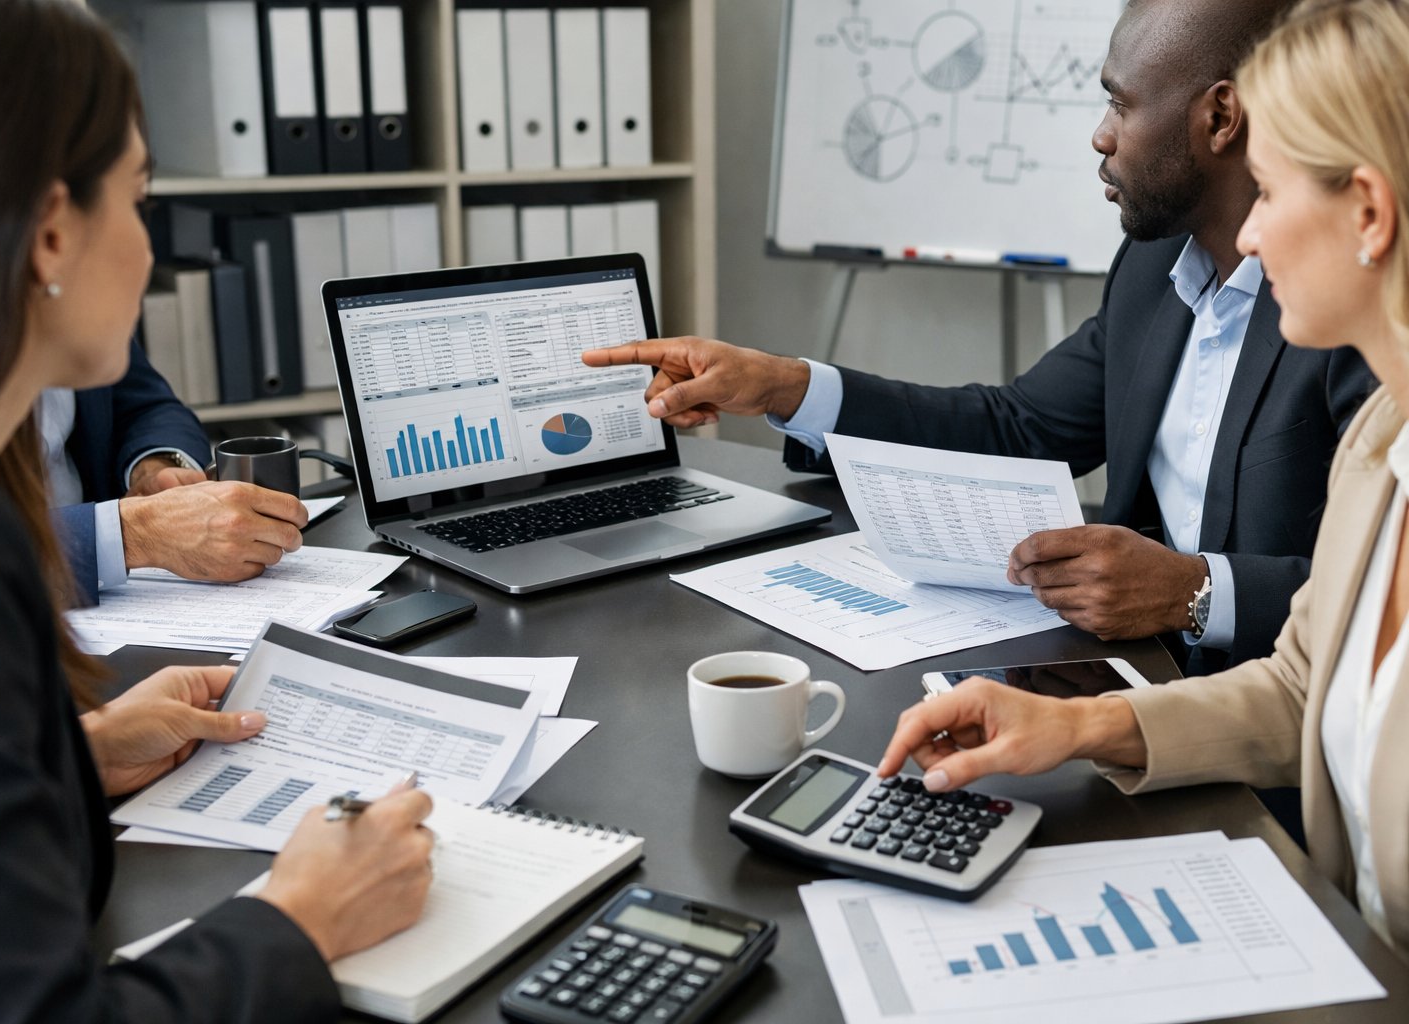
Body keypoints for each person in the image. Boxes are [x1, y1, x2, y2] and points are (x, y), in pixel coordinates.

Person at [0, 1, 433, 1018]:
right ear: (52, 233)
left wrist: (71, 754)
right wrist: (304, 917)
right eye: (137, 200)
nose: (150, 247)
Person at [583, 0, 1377, 676]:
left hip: (1289, 734)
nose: (1101, 137)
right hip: (1130, 684)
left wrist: (1194, 592)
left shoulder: (1350, 312)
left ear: (1220, 117)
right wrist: (785, 386)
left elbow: (1386, 590)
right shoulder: (1154, 267)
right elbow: (1020, 427)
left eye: (1121, 105)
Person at [878, 0, 1409, 956]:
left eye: (1270, 192)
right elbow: (1301, 686)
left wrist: (1189, 592)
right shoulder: (1382, 445)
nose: (1250, 236)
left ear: (1368, 213)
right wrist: (1076, 727)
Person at [44, 345, 312, 603]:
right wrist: (135, 533)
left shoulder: (81, 321)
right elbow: (13, 546)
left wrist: (155, 466)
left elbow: (144, 404)